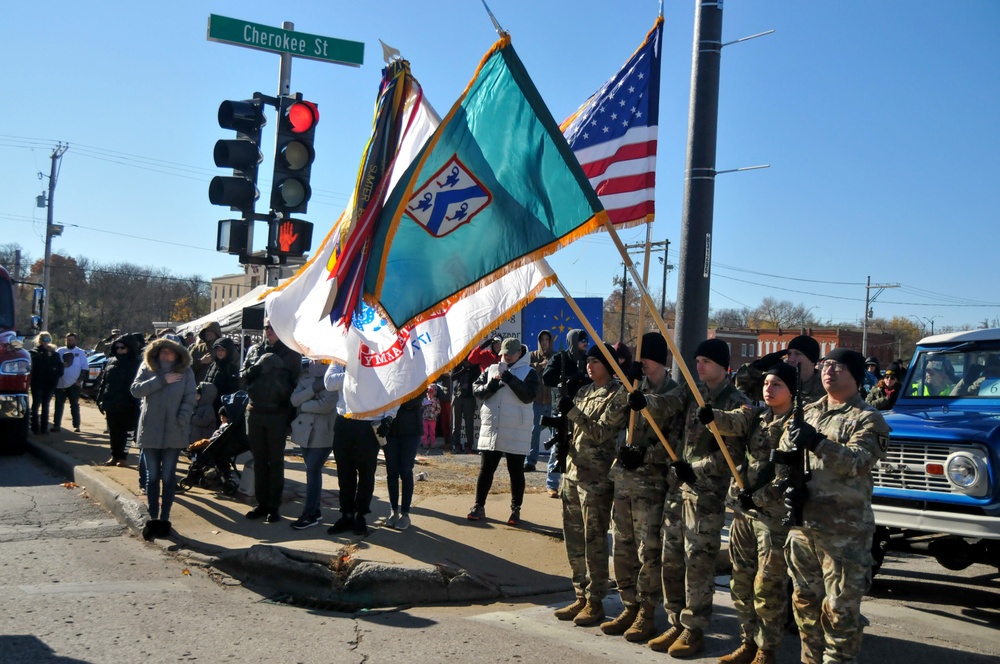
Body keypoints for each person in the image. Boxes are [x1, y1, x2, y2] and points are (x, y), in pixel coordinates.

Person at [626, 337, 751, 657]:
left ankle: (694, 628)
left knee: (698, 562)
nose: (699, 366)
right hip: (677, 487)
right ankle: (676, 620)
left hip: (705, 494)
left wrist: (693, 470)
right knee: (671, 558)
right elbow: (667, 403)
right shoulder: (691, 391)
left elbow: (730, 455)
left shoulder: (736, 401)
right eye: (697, 361)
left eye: (706, 362)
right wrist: (644, 401)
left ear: (722, 365)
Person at [776, 348, 889, 664]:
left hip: (844, 533)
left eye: (838, 366)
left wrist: (817, 442)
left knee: (840, 612)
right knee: (804, 606)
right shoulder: (808, 412)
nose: (829, 370)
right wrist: (787, 488)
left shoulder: (868, 418)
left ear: (854, 374)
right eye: (826, 364)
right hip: (804, 527)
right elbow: (785, 457)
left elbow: (857, 462)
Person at [696, 362, 798, 664]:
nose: (769, 388)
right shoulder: (757, 417)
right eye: (767, 383)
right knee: (741, 580)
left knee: (767, 586)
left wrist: (758, 498)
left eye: (777, 383)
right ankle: (748, 640)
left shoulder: (795, 425)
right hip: (746, 513)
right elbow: (732, 420)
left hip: (773, 518)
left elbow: (787, 478)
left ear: (791, 390)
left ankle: (766, 649)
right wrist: (711, 415)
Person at [594, 332, 676, 641]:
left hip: (651, 484)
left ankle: (646, 611)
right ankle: (629, 604)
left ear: (658, 359)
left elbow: (675, 440)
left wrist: (646, 453)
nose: (641, 363)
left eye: (646, 357)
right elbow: (615, 422)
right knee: (624, 547)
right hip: (624, 479)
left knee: (648, 551)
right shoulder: (632, 386)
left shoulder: (674, 391)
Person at [552, 342, 622, 627]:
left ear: (608, 364)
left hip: (595, 478)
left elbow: (603, 432)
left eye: (596, 361)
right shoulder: (584, 391)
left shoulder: (617, 394)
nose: (589, 366)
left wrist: (574, 413)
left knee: (594, 539)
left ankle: (595, 600)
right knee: (573, 538)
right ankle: (580, 592)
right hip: (572, 472)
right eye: (589, 361)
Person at [467, 337, 539, 525]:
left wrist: (511, 380)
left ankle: (516, 510)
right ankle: (478, 505)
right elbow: (476, 390)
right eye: (503, 354)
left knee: (515, 471)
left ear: (519, 353)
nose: (505, 357)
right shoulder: (492, 369)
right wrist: (491, 386)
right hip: (493, 427)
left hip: (516, 429)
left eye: (510, 354)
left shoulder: (529, 372)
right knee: (486, 468)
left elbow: (529, 396)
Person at [131, 336, 197, 541]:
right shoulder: (148, 368)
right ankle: (153, 518)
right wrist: (161, 380)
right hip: (150, 430)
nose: (166, 353)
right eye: (162, 351)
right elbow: (136, 390)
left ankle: (165, 518)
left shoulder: (185, 372)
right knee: (152, 477)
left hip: (173, 432)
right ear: (156, 353)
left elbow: (190, 398)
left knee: (168, 477)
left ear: (178, 354)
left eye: (170, 351)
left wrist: (182, 419)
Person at [240, 320, 301, 524]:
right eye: (266, 327)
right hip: (255, 411)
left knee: (275, 462)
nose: (269, 331)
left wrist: (290, 415)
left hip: (277, 414)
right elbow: (241, 378)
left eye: (273, 327)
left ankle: (274, 506)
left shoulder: (291, 354)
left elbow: (296, 385)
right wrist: (255, 369)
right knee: (259, 461)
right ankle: (261, 503)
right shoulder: (254, 350)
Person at [324, 363, 395, 537]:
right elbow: (329, 382)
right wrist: (355, 374)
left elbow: (393, 389)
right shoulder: (341, 358)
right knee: (344, 472)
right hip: (345, 421)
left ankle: (361, 515)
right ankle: (346, 514)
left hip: (369, 424)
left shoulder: (381, 357)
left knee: (366, 473)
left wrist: (389, 417)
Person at [288, 360, 338, 530]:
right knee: (311, 470)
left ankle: (310, 513)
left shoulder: (332, 377)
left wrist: (304, 405)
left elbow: (327, 405)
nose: (316, 362)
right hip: (304, 432)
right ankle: (314, 511)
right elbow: (294, 400)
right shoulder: (306, 375)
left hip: (323, 433)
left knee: (313, 470)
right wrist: (313, 390)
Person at [542, 329, 591, 498]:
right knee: (558, 446)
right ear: (573, 341)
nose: (585, 344)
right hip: (562, 411)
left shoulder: (587, 360)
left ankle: (571, 483)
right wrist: (565, 379)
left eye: (586, 341)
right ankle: (552, 484)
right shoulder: (560, 358)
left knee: (578, 448)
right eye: (582, 340)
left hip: (583, 411)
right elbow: (546, 378)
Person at [736, 335, 824, 406]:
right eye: (789, 354)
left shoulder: (825, 386)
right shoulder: (778, 383)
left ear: (812, 360)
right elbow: (742, 391)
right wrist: (758, 367)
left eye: (798, 354)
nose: (791, 359)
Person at [95, 334, 142, 466]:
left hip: (129, 403)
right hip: (111, 402)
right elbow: (104, 382)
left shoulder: (138, 363)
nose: (120, 350)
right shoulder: (111, 361)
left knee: (127, 431)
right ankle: (115, 456)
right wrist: (100, 399)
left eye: (123, 347)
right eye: (117, 347)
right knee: (114, 431)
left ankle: (123, 457)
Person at [384, 393, 423, 530]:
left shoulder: (418, 378)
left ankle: (405, 513)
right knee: (391, 471)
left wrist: (394, 400)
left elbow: (413, 402)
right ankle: (393, 510)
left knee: (406, 471)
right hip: (390, 430)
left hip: (411, 431)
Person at [525, 330, 555, 472]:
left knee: (555, 433)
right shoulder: (532, 356)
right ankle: (530, 461)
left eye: (547, 340)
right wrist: (540, 366)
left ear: (550, 341)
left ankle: (556, 463)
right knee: (534, 431)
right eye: (542, 339)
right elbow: (527, 370)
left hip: (551, 401)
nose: (544, 342)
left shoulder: (555, 356)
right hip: (537, 400)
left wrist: (550, 365)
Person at [52, 332, 88, 433]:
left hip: (74, 385)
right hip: (61, 384)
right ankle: (56, 425)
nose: (70, 342)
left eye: (72, 340)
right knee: (59, 405)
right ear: (65, 340)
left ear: (76, 341)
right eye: (68, 340)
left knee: (74, 405)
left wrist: (79, 381)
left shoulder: (80, 352)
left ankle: (76, 425)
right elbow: (55, 365)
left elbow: (85, 368)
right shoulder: (60, 351)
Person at [29, 331, 63, 435]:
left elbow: (60, 368)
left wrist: (56, 378)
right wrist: (44, 354)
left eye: (48, 340)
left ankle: (44, 428)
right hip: (37, 383)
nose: (46, 342)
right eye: (44, 340)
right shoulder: (34, 352)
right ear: (40, 340)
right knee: (35, 405)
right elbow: (33, 365)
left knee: (46, 406)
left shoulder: (55, 354)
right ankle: (35, 427)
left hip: (50, 384)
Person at [451, 359, 479, 453]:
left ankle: (469, 445)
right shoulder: (457, 364)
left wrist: (470, 370)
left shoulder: (475, 365)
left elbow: (478, 378)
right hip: (458, 395)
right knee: (456, 423)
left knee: (469, 423)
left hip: (469, 396)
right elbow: (452, 377)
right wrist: (462, 370)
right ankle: (457, 445)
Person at [204, 336, 240, 408]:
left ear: (228, 351)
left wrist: (225, 409)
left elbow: (232, 392)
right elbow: (205, 382)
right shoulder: (213, 365)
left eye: (223, 350)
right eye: (218, 349)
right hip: (208, 404)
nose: (220, 352)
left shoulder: (232, 368)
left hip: (221, 406)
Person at [421, 384, 441, 448]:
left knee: (432, 432)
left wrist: (435, 413)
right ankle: (425, 443)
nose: (429, 394)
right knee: (425, 432)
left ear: (434, 393)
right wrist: (424, 404)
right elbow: (421, 407)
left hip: (433, 419)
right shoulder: (424, 399)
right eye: (428, 393)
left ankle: (432, 443)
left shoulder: (436, 400)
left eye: (431, 393)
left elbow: (439, 409)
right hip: (425, 418)